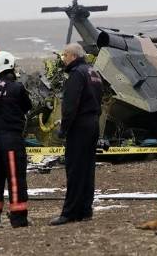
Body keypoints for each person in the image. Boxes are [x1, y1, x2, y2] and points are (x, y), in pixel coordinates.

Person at [50, 43, 102, 225]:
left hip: (79, 126)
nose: (63, 58)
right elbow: (100, 98)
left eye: (65, 55)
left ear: (73, 55)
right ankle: (85, 209)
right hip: (93, 123)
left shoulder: (76, 74)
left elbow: (70, 105)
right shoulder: (92, 72)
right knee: (87, 169)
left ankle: (70, 212)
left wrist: (63, 129)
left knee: (74, 169)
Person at [0, 51, 32, 228]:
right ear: (8, 66)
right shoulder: (16, 88)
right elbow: (28, 106)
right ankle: (18, 219)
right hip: (11, 138)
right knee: (15, 178)